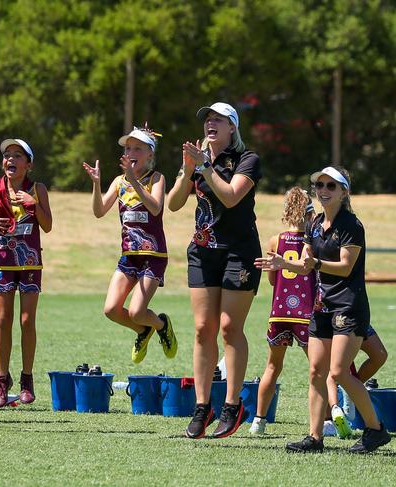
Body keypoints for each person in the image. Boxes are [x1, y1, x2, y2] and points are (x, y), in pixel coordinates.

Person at [256, 165, 391, 453]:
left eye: (331, 186)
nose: (324, 190)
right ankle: (314, 437)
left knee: (340, 372)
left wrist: (314, 264)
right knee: (317, 371)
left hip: (348, 306)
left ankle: (376, 430)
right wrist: (284, 264)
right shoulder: (314, 224)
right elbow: (306, 264)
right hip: (321, 306)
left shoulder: (351, 225)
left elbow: (345, 267)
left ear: (344, 192)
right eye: (320, 185)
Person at [167, 102, 262, 439]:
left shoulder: (247, 159)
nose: (210, 124)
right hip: (203, 252)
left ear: (232, 127)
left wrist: (205, 167)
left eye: (218, 120)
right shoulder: (197, 159)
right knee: (202, 328)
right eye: (208, 120)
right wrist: (185, 169)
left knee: (228, 327)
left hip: (239, 252)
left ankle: (233, 405)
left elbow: (231, 197)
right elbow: (174, 203)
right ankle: (202, 406)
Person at [82, 125, 177, 365]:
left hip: (152, 255)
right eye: (128, 148)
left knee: (136, 312)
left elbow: (156, 207)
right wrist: (96, 183)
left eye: (138, 148)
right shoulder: (118, 181)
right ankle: (143, 331)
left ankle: (161, 324)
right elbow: (99, 211)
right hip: (129, 256)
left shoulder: (156, 178)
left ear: (150, 155)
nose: (131, 151)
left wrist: (135, 182)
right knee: (111, 310)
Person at [0, 138, 52, 408]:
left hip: (30, 264)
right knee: (3, 320)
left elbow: (48, 225)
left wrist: (33, 203)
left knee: (27, 320)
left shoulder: (38, 189)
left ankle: (27, 379)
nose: (11, 159)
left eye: (17, 155)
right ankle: (2, 380)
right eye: (7, 155)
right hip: (5, 264)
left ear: (28, 164)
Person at [249, 188, 315, 435]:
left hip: (279, 312)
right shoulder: (313, 241)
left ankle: (259, 420)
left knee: (272, 367)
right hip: (306, 314)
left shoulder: (275, 240)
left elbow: (272, 280)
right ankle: (325, 421)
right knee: (317, 370)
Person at [324, 324, 388, 438]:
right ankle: (331, 415)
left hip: (357, 316)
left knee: (380, 355)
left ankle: (349, 388)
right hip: (334, 318)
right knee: (335, 367)